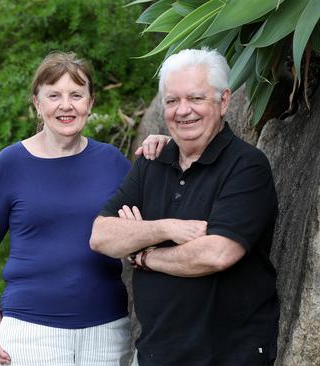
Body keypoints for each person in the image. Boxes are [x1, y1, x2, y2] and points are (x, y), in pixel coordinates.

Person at [0, 51, 169, 366]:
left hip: (107, 330)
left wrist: (164, 150)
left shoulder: (113, 162)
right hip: (30, 332)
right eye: (54, 95)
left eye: (76, 95)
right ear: (38, 104)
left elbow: (145, 229)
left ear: (90, 103)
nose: (66, 105)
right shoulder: (10, 164)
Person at [90, 48, 280, 366]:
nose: (183, 111)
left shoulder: (247, 166)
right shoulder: (151, 162)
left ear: (223, 101)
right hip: (154, 353)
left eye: (195, 98)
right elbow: (100, 236)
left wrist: (144, 254)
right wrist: (165, 228)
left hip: (228, 355)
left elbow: (217, 253)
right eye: (172, 101)